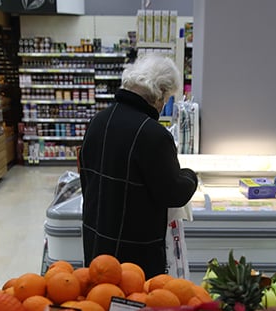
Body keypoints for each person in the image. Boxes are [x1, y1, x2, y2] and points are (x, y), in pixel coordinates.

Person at [78, 53, 198, 279]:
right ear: (159, 94)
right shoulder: (153, 134)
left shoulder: (98, 120)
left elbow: (86, 179)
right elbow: (172, 193)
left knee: (101, 298)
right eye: (166, 98)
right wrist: (191, 176)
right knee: (135, 307)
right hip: (135, 252)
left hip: (98, 240)